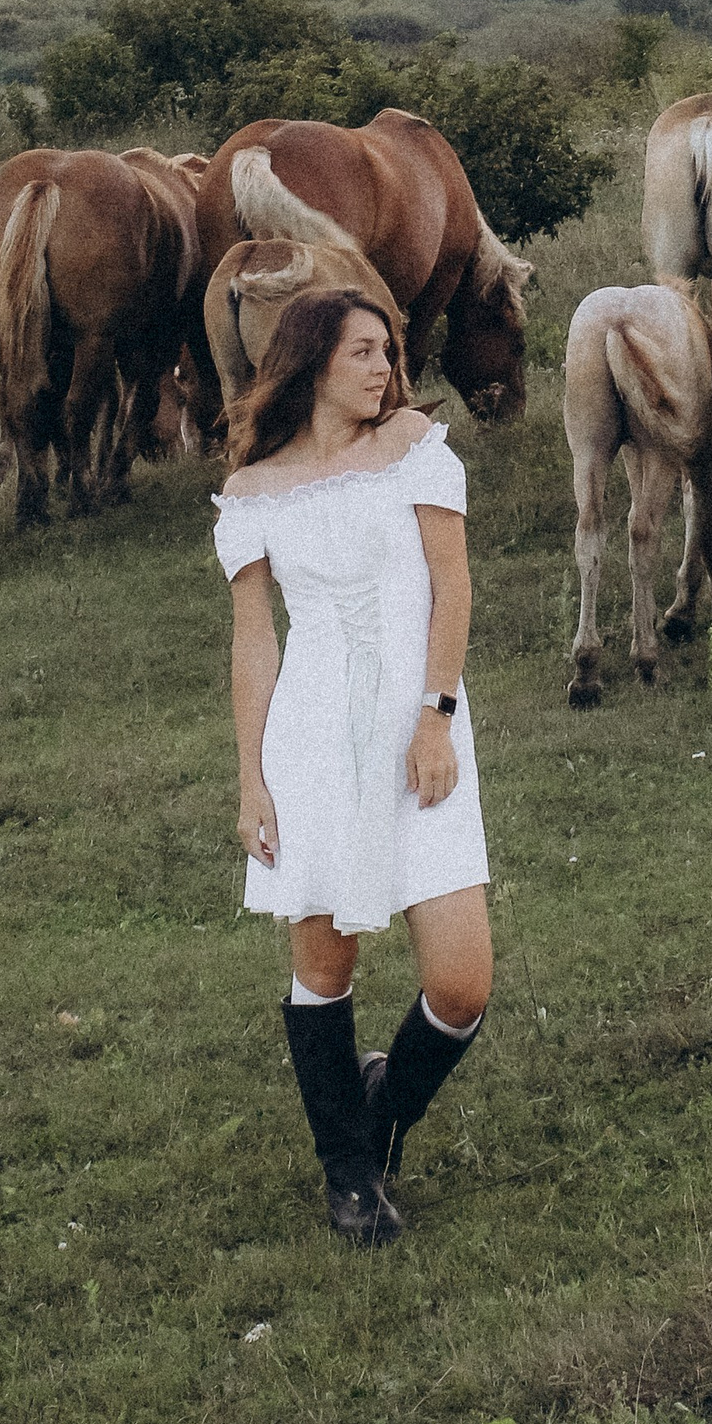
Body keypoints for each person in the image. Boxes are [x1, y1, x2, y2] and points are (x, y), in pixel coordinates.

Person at [214, 289, 495, 1246]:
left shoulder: (414, 446)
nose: (385, 369)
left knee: (461, 983)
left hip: (419, 731)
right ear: (312, 362)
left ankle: (377, 1120)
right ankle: (349, 1179)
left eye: (388, 350)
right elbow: (255, 640)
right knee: (324, 961)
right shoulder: (254, 489)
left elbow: (452, 582)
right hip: (312, 736)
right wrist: (252, 779)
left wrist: (435, 716)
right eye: (364, 352)